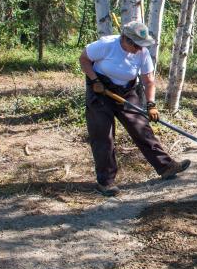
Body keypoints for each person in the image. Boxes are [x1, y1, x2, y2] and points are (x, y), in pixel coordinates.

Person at [79, 21, 190, 196]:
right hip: (100, 91)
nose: (139, 49)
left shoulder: (142, 53)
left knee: (141, 128)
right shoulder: (105, 45)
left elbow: (148, 81)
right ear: (125, 39)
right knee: (103, 135)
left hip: (126, 91)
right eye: (137, 45)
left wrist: (151, 104)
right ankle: (105, 182)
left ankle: (166, 167)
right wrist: (94, 80)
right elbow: (84, 59)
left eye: (142, 46)